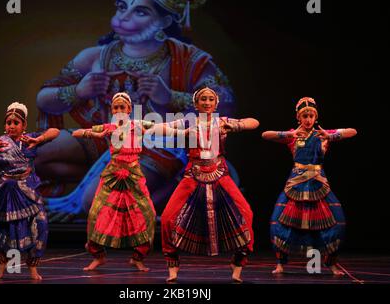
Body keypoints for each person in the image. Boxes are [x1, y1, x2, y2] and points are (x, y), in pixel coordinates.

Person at [34, 0, 240, 221]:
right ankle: (102, 182)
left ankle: (167, 191)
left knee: (96, 203)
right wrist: (78, 90)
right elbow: (45, 99)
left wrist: (170, 97)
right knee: (34, 154)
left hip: (159, 145)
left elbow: (225, 105)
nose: (123, 17)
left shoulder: (189, 60)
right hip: (107, 139)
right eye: (122, 7)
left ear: (165, 21)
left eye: (140, 12)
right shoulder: (96, 57)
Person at [73, 92, 186, 272]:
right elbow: (77, 133)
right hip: (112, 175)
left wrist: (182, 130)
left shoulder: (138, 125)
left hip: (133, 175)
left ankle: (138, 257)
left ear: (129, 109)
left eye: (122, 107)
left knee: (147, 213)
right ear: (112, 110)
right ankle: (98, 256)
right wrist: (94, 132)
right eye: (116, 107)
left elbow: (161, 128)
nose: (119, 110)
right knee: (96, 213)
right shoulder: (108, 127)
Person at [161, 87, 258, 282]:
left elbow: (254, 122)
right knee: (167, 219)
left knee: (246, 213)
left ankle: (238, 262)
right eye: (203, 99)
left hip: (220, 173)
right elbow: (163, 127)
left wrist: (236, 127)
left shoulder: (223, 122)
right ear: (196, 104)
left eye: (210, 99)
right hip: (193, 174)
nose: (207, 102)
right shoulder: (189, 122)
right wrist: (180, 130)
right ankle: (172, 263)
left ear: (216, 104)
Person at [262, 97, 357, 275]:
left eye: (311, 116)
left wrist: (331, 136)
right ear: (299, 118)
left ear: (315, 117)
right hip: (296, 183)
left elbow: (353, 131)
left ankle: (332, 264)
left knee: (334, 221)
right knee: (280, 222)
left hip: (318, 182)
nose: (308, 119)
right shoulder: (293, 135)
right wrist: (287, 135)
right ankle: (280, 263)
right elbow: (265, 134)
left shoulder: (323, 134)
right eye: (304, 116)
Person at [0, 102, 60, 280]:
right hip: (6, 192)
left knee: (40, 224)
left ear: (24, 125)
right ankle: (1, 265)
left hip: (27, 190)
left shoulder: (30, 140)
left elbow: (54, 131)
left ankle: (33, 267)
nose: (11, 126)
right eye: (8, 122)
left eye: (16, 123)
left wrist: (39, 139)